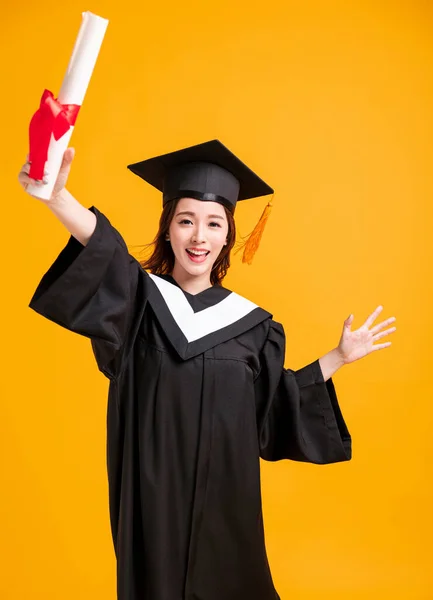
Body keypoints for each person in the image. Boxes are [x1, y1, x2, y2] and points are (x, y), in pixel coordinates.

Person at [18, 139, 396, 600]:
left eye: (213, 223)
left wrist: (336, 357)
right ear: (168, 230)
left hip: (226, 503)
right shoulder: (140, 303)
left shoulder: (255, 328)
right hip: (154, 496)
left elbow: (273, 410)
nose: (199, 236)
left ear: (227, 237)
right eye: (186, 221)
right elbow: (105, 249)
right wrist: (58, 196)